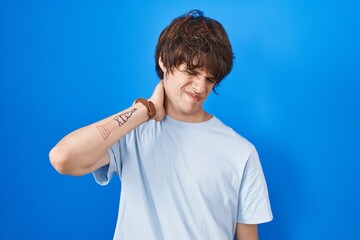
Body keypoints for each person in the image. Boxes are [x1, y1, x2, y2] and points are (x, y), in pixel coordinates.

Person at [49, 10, 273, 240]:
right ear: (164, 62)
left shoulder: (241, 152)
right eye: (192, 71)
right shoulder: (132, 132)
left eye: (210, 78)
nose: (200, 87)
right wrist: (145, 110)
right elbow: (63, 158)